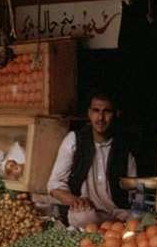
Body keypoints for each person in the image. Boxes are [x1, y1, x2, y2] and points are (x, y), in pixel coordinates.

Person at [47, 91, 137, 228]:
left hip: (116, 214)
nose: (100, 118)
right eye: (96, 111)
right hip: (88, 213)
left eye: (107, 112)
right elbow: (54, 185)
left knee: (141, 220)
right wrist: (74, 200)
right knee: (84, 218)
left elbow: (133, 190)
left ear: (116, 114)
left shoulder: (124, 149)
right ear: (89, 113)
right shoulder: (74, 140)